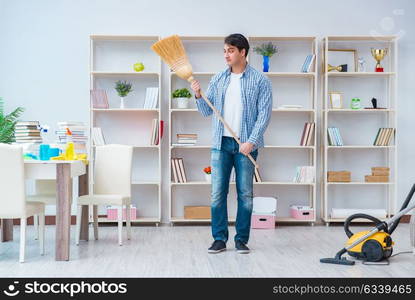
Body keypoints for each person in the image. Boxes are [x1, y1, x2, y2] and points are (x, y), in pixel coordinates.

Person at [190, 33, 273, 254]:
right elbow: (207, 111)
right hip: (221, 144)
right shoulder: (218, 79)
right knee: (218, 193)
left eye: (231, 50)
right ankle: (219, 239)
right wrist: (198, 95)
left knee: (245, 194)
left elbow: (264, 115)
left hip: (246, 146)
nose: (226, 55)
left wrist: (251, 142)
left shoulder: (260, 80)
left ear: (243, 52)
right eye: (225, 50)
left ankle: (241, 240)